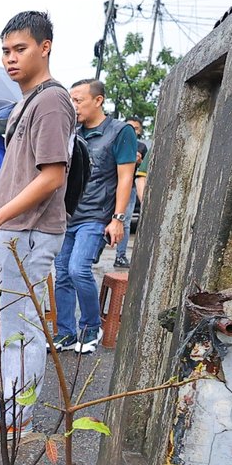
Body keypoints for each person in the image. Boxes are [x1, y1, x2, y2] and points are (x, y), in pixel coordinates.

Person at [0, 11, 76, 444]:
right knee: (6, 324)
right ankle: (11, 401)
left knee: (21, 328)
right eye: (6, 51)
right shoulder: (27, 101)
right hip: (15, 229)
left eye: (20, 49)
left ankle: (19, 416)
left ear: (44, 47)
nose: (11, 59)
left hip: (29, 230)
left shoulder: (51, 100)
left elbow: (52, 176)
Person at [55, 79, 137, 353]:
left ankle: (91, 328)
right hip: (67, 215)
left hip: (96, 216)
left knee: (79, 269)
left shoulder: (120, 132)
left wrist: (118, 219)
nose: (73, 106)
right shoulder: (71, 132)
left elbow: (126, 178)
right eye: (71, 100)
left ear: (98, 100)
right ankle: (65, 333)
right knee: (62, 274)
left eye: (78, 100)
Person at [115, 117, 149, 269]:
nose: (132, 131)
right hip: (112, 185)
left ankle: (120, 255)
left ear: (140, 131)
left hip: (130, 187)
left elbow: (145, 171)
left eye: (136, 128)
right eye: (130, 127)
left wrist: (140, 162)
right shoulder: (116, 142)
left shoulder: (141, 147)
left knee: (125, 221)